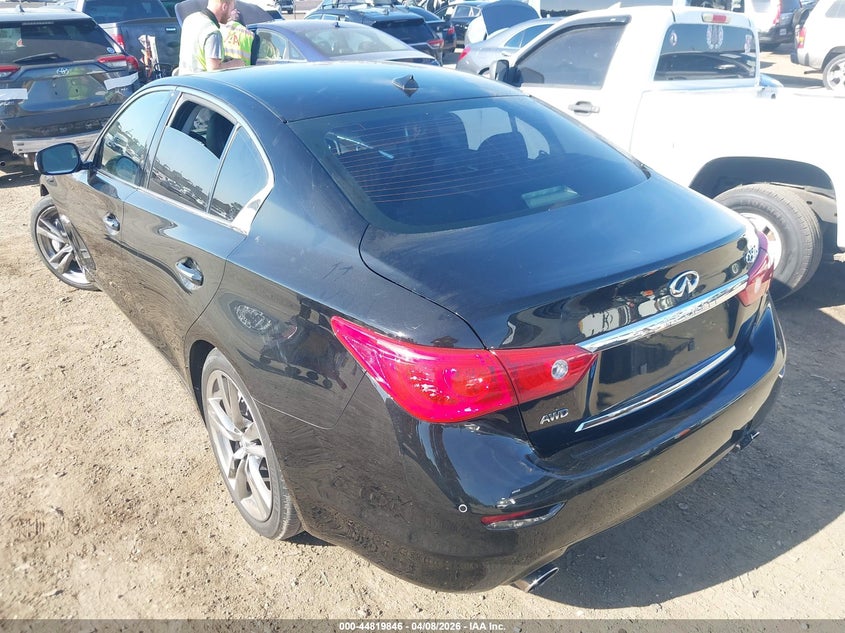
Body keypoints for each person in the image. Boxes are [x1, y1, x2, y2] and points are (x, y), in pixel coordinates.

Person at [177, 0, 245, 75]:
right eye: (231, 10)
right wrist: (236, 64)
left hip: (184, 83)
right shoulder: (213, 32)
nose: (230, 16)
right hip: (201, 84)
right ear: (224, 7)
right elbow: (214, 70)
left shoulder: (190, 19)